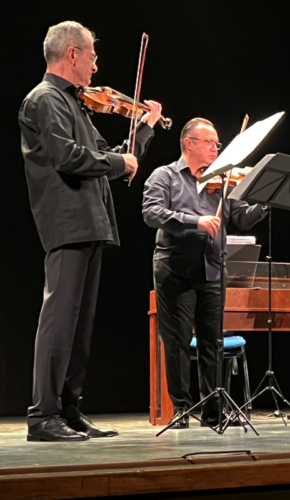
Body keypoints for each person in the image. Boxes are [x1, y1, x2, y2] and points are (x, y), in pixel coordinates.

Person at [19, 21, 162, 442]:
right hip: (66, 223)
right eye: (94, 57)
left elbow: (112, 156)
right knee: (59, 321)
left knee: (79, 326)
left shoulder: (75, 104)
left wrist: (146, 127)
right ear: (73, 54)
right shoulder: (44, 100)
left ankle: (68, 409)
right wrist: (119, 165)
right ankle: (42, 415)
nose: (97, 68)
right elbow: (69, 157)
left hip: (90, 221)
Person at [142, 118, 266, 428]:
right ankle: (183, 409)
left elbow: (243, 216)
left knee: (213, 342)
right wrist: (193, 220)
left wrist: (266, 199)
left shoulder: (222, 181)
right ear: (189, 143)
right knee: (178, 342)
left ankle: (213, 412)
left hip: (212, 267)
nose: (216, 148)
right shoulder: (165, 176)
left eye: (217, 144)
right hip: (175, 268)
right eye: (210, 142)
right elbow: (151, 212)